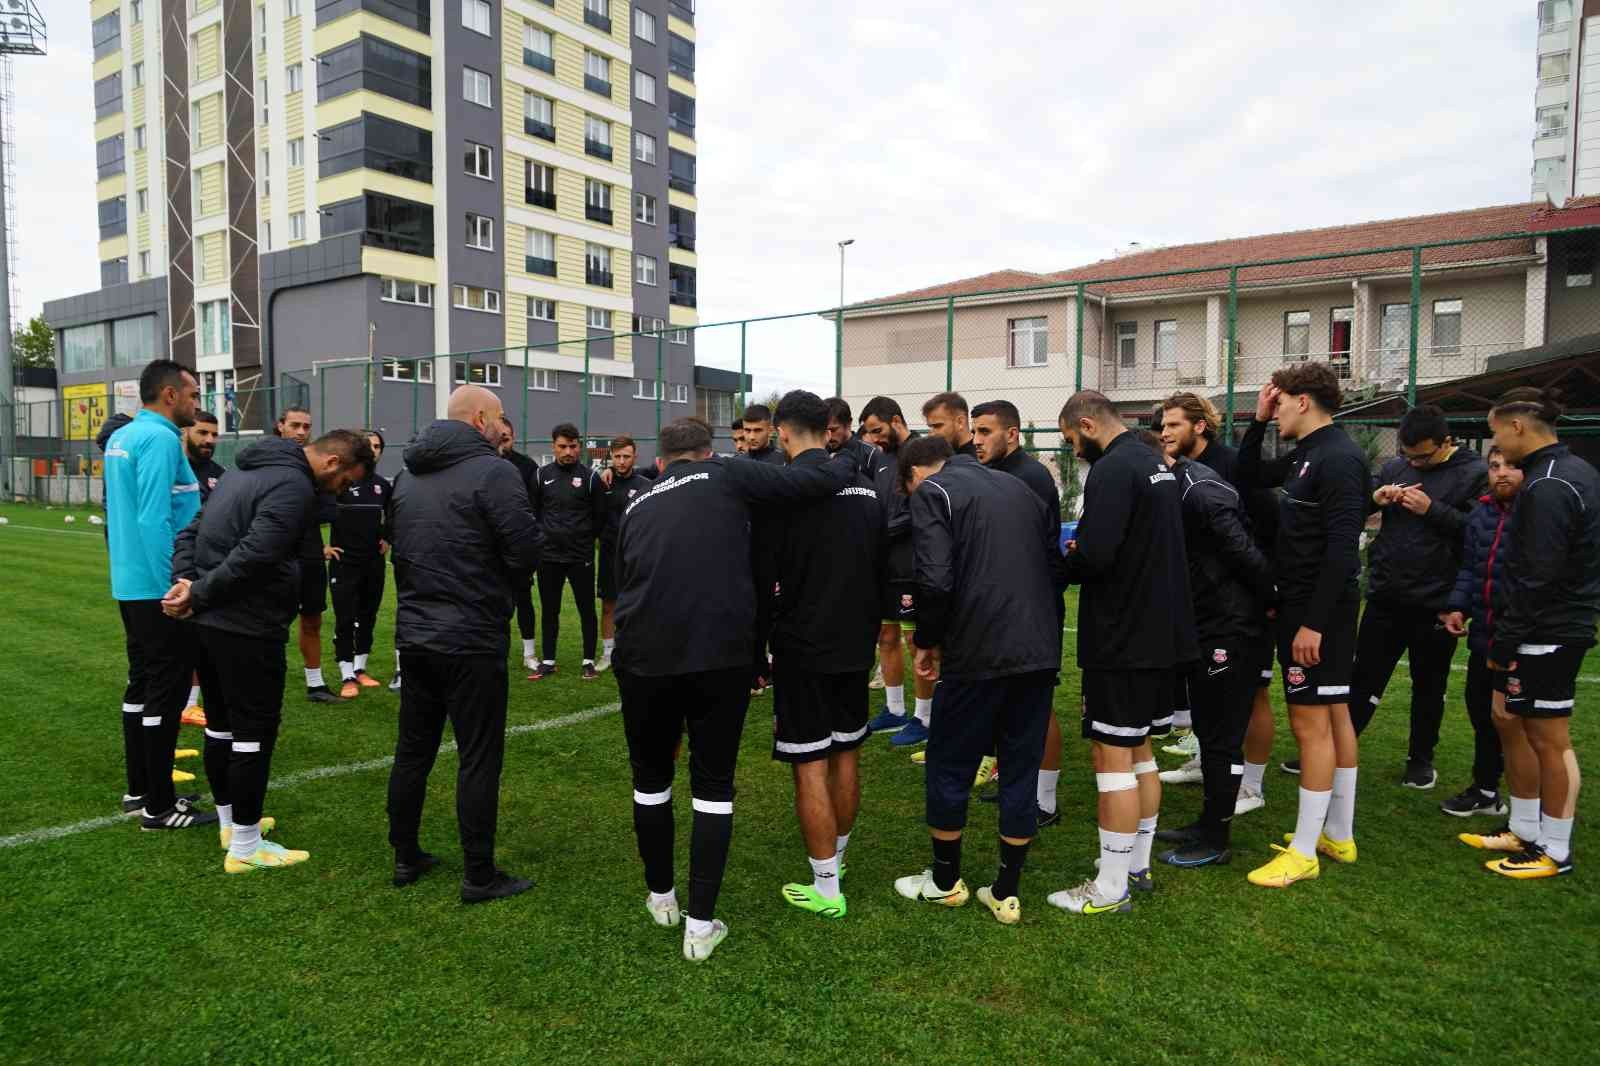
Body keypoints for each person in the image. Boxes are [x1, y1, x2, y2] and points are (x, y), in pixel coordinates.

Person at [612, 417, 858, 961]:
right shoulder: (727, 474)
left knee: (650, 781)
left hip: (643, 657)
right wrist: (837, 456)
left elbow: (620, 585)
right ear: (709, 451)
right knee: (712, 787)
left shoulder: (636, 503)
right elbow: (812, 482)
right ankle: (699, 927)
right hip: (716, 654)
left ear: (660, 461)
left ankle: (662, 898)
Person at [166, 429, 374, 871]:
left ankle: (231, 823)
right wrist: (197, 591)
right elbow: (256, 554)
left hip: (210, 624)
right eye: (342, 482)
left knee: (220, 728)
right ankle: (245, 847)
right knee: (252, 735)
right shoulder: (293, 485)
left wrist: (186, 582)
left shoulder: (240, 474)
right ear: (334, 462)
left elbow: (191, 533)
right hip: (246, 626)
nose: (337, 493)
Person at [890, 435, 1060, 925]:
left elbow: (936, 579)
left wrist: (927, 639)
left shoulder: (934, 493)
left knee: (949, 763)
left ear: (915, 473)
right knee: (1020, 766)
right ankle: (1006, 891)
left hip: (979, 650)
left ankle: (945, 883)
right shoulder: (1022, 489)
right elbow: (1054, 568)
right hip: (1038, 648)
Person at [386, 386, 545, 902]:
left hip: (416, 634)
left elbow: (401, 551)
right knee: (478, 755)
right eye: (500, 417)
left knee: (413, 750)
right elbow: (525, 552)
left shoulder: (408, 476)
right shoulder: (494, 472)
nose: (505, 427)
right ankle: (479, 873)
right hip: (471, 636)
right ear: (480, 419)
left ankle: (405, 854)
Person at [1049, 392, 1196, 915]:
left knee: (1112, 755)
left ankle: (1110, 889)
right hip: (1159, 632)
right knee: (1139, 753)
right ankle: (1135, 864)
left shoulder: (1114, 469)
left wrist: (1070, 555)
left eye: (1071, 439)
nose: (1074, 449)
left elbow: (1097, 555)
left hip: (1123, 636)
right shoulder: (1153, 460)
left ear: (1087, 424)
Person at [1237, 364, 1369, 889]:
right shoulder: (1311, 451)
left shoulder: (1338, 458)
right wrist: (1258, 421)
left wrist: (1312, 624)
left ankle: (1304, 851)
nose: (1276, 409)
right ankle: (1338, 833)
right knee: (1335, 719)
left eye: (1280, 400)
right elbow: (1249, 476)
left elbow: (1342, 550)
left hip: (1319, 611)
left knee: (1311, 726)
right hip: (1310, 606)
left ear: (1304, 401)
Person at [758, 391, 884, 919]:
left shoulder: (786, 493)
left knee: (810, 764)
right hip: (854, 642)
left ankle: (827, 886)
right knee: (847, 753)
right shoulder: (868, 491)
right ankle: (838, 857)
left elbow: (764, 579)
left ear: (783, 432)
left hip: (804, 647)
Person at [1471, 388, 1598, 879]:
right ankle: (1524, 827)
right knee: (1511, 720)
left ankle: (1556, 848)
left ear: (1517, 427)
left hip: (1550, 629)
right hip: (1540, 624)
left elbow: (1538, 575)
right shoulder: (1565, 473)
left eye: (1498, 432)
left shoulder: (1549, 483)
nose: (1497, 445)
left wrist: (1507, 640)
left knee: (1551, 738)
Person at [1342, 404, 1486, 790]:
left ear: (1446, 443)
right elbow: (1363, 506)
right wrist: (1378, 496)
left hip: (1437, 602)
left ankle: (1420, 760)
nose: (1414, 463)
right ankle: (1338, 750)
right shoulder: (1396, 467)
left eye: (1423, 455)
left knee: (1429, 686)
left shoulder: (1474, 473)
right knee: (1363, 677)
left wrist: (1432, 509)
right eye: (1407, 456)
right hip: (1387, 594)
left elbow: (1478, 532)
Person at [1152, 439, 1276, 867]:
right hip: (1210, 624)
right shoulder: (1182, 486)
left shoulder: (1200, 491)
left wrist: (1271, 600)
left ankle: (1217, 839)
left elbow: (1246, 553)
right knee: (1209, 731)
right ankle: (1206, 822)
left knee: (1223, 736)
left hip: (1232, 629)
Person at [104, 359, 212, 829]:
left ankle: (140, 791)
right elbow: (153, 518)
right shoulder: (161, 438)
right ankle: (159, 806)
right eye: (191, 394)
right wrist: (176, 584)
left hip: (130, 582)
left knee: (142, 684)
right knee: (165, 693)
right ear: (169, 395)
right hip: (157, 588)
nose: (196, 403)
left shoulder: (123, 436)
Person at [970, 399, 1069, 825]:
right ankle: (1018, 786)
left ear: (1012, 434)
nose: (977, 440)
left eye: (985, 432)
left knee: (1037, 707)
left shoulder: (1028, 477)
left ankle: (1044, 800)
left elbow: (1033, 553)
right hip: (1011, 609)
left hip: (1033, 609)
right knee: (1012, 705)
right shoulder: (999, 474)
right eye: (974, 432)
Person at [1439, 446, 1522, 818]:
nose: (1501, 473)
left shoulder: (1538, 511)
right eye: (1494, 466)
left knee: (1517, 720)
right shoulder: (1483, 512)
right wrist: (1458, 606)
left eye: (1511, 466)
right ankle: (1486, 789)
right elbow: (1471, 569)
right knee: (1482, 710)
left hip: (1522, 635)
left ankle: (1529, 808)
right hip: (1485, 634)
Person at [859, 397, 940, 750]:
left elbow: (921, 509)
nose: (874, 438)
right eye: (869, 433)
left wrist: (882, 531)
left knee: (915, 641)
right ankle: (894, 709)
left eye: (878, 430)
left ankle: (924, 716)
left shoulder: (919, 452)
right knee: (885, 636)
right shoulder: (879, 460)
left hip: (911, 564)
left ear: (896, 420)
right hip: (882, 565)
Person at [529, 423, 604, 681]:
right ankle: (548, 660)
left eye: (573, 446)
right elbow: (533, 512)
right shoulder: (540, 476)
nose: (568, 451)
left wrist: (583, 538)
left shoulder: (591, 477)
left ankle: (588, 661)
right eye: (562, 446)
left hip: (580, 555)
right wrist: (543, 538)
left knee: (586, 609)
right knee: (550, 609)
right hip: (548, 556)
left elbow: (599, 517)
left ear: (579, 447)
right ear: (554, 446)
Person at [276, 406, 340, 704]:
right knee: (272, 620)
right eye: (295, 425)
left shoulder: (317, 468)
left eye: (306, 426)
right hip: (277, 555)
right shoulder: (271, 463)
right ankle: (264, 677)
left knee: (312, 619)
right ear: (281, 427)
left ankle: (315, 684)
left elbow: (327, 509)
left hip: (311, 554)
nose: (301, 432)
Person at [329, 429, 393, 697]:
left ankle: (360, 669)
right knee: (345, 617)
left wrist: (386, 538)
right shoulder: (339, 481)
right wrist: (322, 546)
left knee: (368, 614)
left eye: (378, 446)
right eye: (368, 445)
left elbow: (393, 515)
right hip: (344, 561)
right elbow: (311, 510)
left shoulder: (382, 485)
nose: (373, 450)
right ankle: (346, 676)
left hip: (372, 562)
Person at [599, 435, 655, 672]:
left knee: (637, 603)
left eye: (626, 456)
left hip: (635, 553)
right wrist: (603, 472)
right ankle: (608, 653)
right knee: (608, 604)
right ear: (611, 456)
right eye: (617, 456)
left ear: (635, 457)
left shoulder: (644, 485)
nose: (621, 461)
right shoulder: (603, 482)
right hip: (609, 553)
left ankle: (636, 649)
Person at [496, 416, 541, 671]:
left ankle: (529, 653)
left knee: (523, 599)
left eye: (507, 434)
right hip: (491, 548)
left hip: (518, 545)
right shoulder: (485, 464)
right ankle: (496, 649)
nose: (504, 439)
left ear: (513, 435)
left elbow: (535, 507)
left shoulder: (527, 466)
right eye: (499, 434)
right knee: (494, 601)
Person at [825, 396, 883, 474]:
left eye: (833, 430)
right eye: (824, 430)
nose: (829, 436)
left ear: (848, 423)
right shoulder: (819, 453)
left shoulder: (870, 455)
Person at [185, 411, 226, 503]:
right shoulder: (173, 470)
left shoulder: (221, 474)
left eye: (214, 435)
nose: (210, 440)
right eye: (203, 433)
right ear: (185, 433)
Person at [922, 391, 978, 457]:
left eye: (938, 426)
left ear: (960, 422)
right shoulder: (939, 455)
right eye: (930, 427)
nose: (932, 434)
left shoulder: (981, 457)